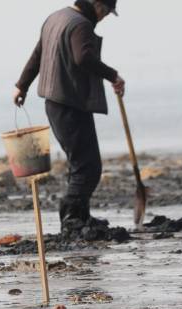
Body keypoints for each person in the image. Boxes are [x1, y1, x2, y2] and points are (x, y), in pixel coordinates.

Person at [12, 0, 125, 233]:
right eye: (104, 10)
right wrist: (113, 75)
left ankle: (81, 216)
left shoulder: (56, 17)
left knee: (80, 162)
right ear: (95, 3)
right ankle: (72, 219)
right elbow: (82, 57)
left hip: (57, 103)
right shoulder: (81, 24)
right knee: (88, 165)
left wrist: (22, 86)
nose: (103, 16)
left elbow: (37, 55)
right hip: (70, 104)